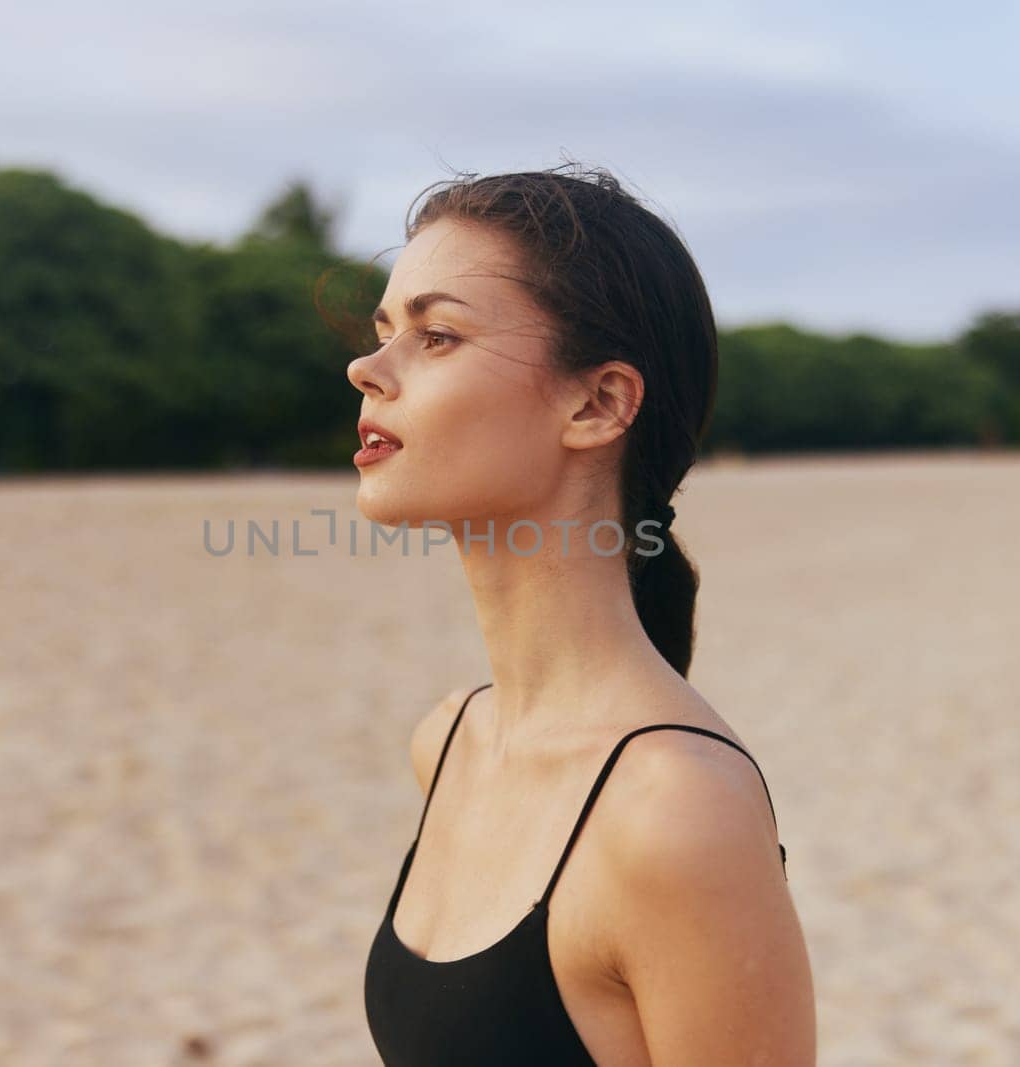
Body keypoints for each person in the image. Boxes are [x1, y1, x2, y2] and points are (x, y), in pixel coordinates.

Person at [350, 167, 816, 1064]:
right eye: (382, 331)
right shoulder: (450, 740)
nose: (365, 369)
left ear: (598, 404)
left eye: (435, 334)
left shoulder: (677, 811)